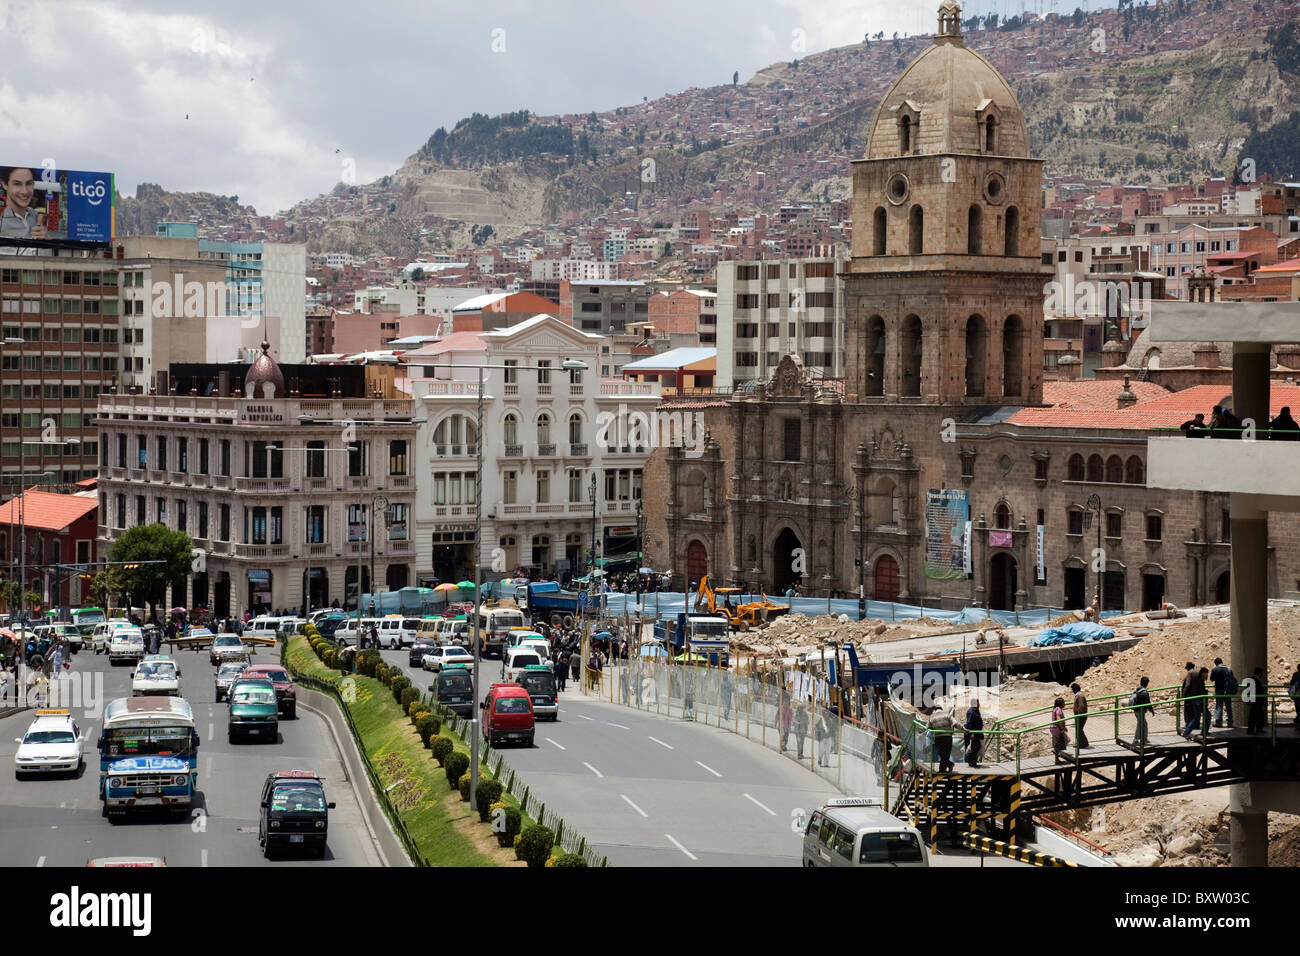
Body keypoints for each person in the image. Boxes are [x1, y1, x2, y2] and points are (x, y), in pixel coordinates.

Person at [0, 167, 50, 240]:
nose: (25, 191)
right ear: (5, 184)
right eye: (17, 184)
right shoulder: (2, 218)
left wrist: (47, 240)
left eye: (29, 183)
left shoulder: (33, 214)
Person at [1182, 666, 1210, 738]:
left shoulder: (1200, 678)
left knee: (1199, 717)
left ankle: (1188, 732)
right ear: (1203, 673)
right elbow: (1187, 685)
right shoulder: (1197, 677)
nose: (1207, 676)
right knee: (1202, 717)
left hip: (1198, 699)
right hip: (1198, 700)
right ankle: (1202, 732)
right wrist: (1184, 695)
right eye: (1206, 674)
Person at [1209, 657, 1237, 728]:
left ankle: (1218, 723)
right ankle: (1230, 723)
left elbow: (1211, 679)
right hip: (1228, 690)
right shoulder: (1228, 669)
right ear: (1222, 662)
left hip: (1219, 690)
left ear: (1216, 663)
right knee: (1228, 707)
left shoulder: (1215, 670)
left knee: (1219, 706)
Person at [928, 705, 956, 772]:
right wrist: (963, 729)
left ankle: (944, 768)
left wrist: (934, 728)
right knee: (945, 754)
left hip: (938, 737)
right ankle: (945, 767)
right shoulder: (947, 714)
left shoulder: (932, 716)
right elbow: (955, 723)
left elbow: (928, 727)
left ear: (935, 710)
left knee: (942, 754)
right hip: (947, 737)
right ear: (941, 709)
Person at [1131, 676, 1152, 745]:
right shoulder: (1144, 692)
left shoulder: (1138, 688)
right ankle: (1136, 740)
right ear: (1146, 684)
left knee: (1143, 724)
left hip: (1136, 710)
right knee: (1140, 725)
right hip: (1140, 711)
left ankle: (1144, 738)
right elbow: (1147, 702)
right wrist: (1151, 710)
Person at [1246, 667, 1267, 735]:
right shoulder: (1254, 680)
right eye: (1261, 673)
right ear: (1259, 673)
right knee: (1255, 716)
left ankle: (1257, 729)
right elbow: (1257, 691)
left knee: (1258, 716)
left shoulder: (1252, 680)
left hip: (1254, 701)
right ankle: (1253, 730)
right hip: (1256, 701)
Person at [1050, 696, 1071, 762]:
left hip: (1053, 728)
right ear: (1061, 703)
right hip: (1057, 728)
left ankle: (1057, 758)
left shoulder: (1055, 708)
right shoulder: (1058, 709)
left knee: (1058, 742)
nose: (1064, 704)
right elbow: (1058, 719)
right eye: (1063, 703)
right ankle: (1057, 754)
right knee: (1066, 740)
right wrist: (1063, 728)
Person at [964, 699, 984, 767]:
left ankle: (972, 762)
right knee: (974, 747)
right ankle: (971, 761)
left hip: (977, 732)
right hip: (974, 733)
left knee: (976, 747)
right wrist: (972, 733)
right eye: (978, 703)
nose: (979, 705)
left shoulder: (976, 711)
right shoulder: (971, 712)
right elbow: (969, 723)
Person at [1071, 682, 1089, 747]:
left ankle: (1083, 743)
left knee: (1079, 730)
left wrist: (1078, 715)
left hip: (1080, 716)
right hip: (1079, 716)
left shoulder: (1080, 696)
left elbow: (1081, 707)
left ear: (1075, 689)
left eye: (1072, 689)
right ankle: (1081, 743)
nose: (1072, 691)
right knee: (1079, 729)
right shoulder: (1078, 695)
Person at [1289, 665, 1300, 730]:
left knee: (1298, 710)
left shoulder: (1295, 675)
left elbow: (1291, 684)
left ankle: (1298, 725)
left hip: (1297, 696)